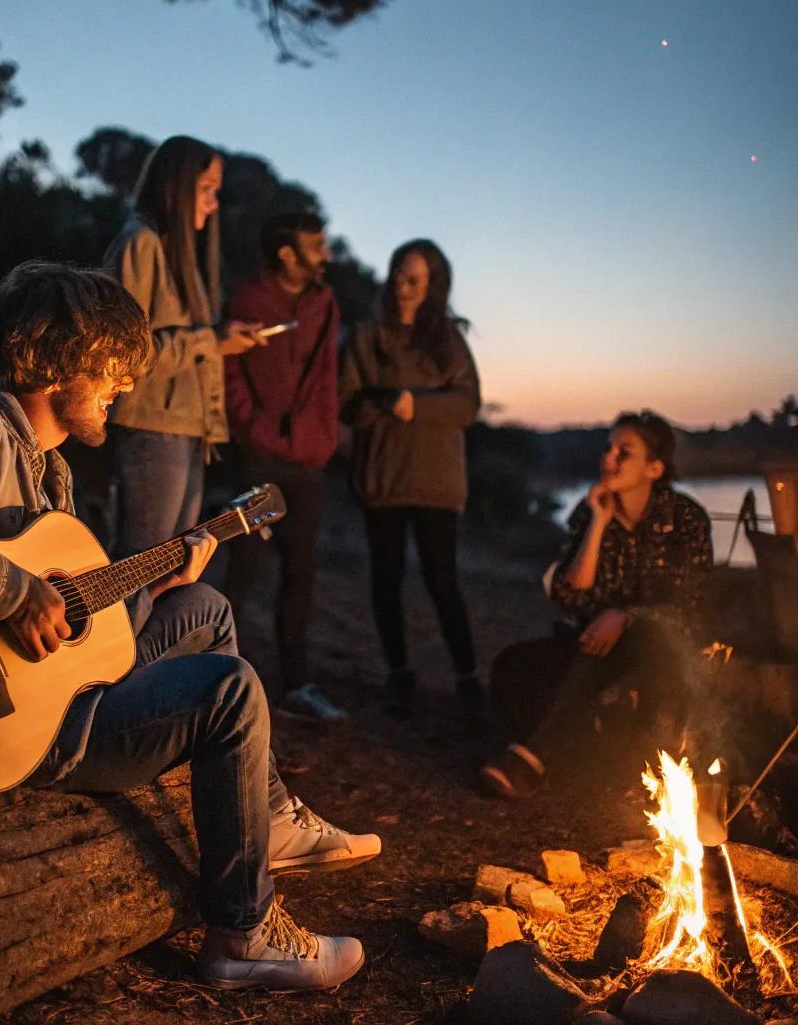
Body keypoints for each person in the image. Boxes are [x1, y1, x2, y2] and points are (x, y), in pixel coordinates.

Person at [0, 261, 379, 991]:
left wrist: (156, 577)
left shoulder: (49, 471)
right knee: (229, 691)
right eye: (113, 369)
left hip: (48, 692)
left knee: (203, 609)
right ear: (60, 364)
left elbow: (75, 630)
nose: (125, 387)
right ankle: (243, 931)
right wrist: (9, 590)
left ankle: (271, 819)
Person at [481, 410, 714, 798]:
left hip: (658, 646)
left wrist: (625, 616)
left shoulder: (685, 518)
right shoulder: (590, 511)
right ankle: (570, 745)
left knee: (638, 650)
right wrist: (598, 524)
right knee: (513, 665)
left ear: (654, 468)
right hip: (590, 639)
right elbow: (570, 595)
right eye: (608, 448)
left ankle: (533, 759)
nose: (609, 459)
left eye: (626, 452)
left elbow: (689, 602)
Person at [98, 135, 264, 558]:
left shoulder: (179, 257)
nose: (213, 204)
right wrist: (210, 339)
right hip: (153, 430)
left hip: (187, 429)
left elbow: (182, 346)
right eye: (207, 190)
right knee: (140, 564)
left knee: (174, 567)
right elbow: (126, 355)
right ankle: (124, 628)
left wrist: (225, 342)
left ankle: (157, 628)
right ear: (177, 185)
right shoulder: (141, 244)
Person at [339, 239, 481, 717]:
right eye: (398, 275)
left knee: (444, 581)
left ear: (433, 285)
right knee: (386, 580)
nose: (402, 287)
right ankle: (399, 674)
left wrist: (416, 404)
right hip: (383, 478)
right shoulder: (366, 334)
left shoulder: (447, 339)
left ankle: (467, 677)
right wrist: (379, 403)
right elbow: (347, 404)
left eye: (414, 280)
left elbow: (468, 404)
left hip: (437, 483)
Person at [223, 211, 344, 723]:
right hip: (262, 453)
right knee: (246, 566)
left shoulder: (326, 302)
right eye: (316, 245)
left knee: (301, 573)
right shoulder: (249, 300)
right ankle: (220, 674)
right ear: (286, 253)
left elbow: (326, 379)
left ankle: (297, 684)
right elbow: (228, 371)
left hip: (308, 459)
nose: (326, 254)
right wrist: (256, 430)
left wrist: (323, 435)